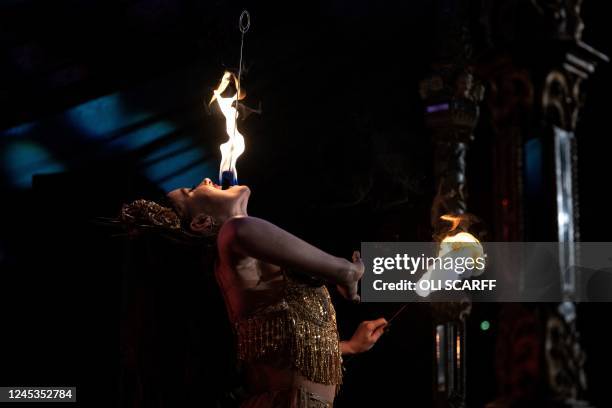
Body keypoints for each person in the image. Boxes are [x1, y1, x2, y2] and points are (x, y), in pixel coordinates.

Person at [120, 177, 388, 407]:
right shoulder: (233, 239)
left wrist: (348, 347)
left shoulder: (251, 258)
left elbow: (279, 348)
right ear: (201, 222)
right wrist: (345, 270)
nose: (204, 180)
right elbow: (237, 230)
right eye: (192, 190)